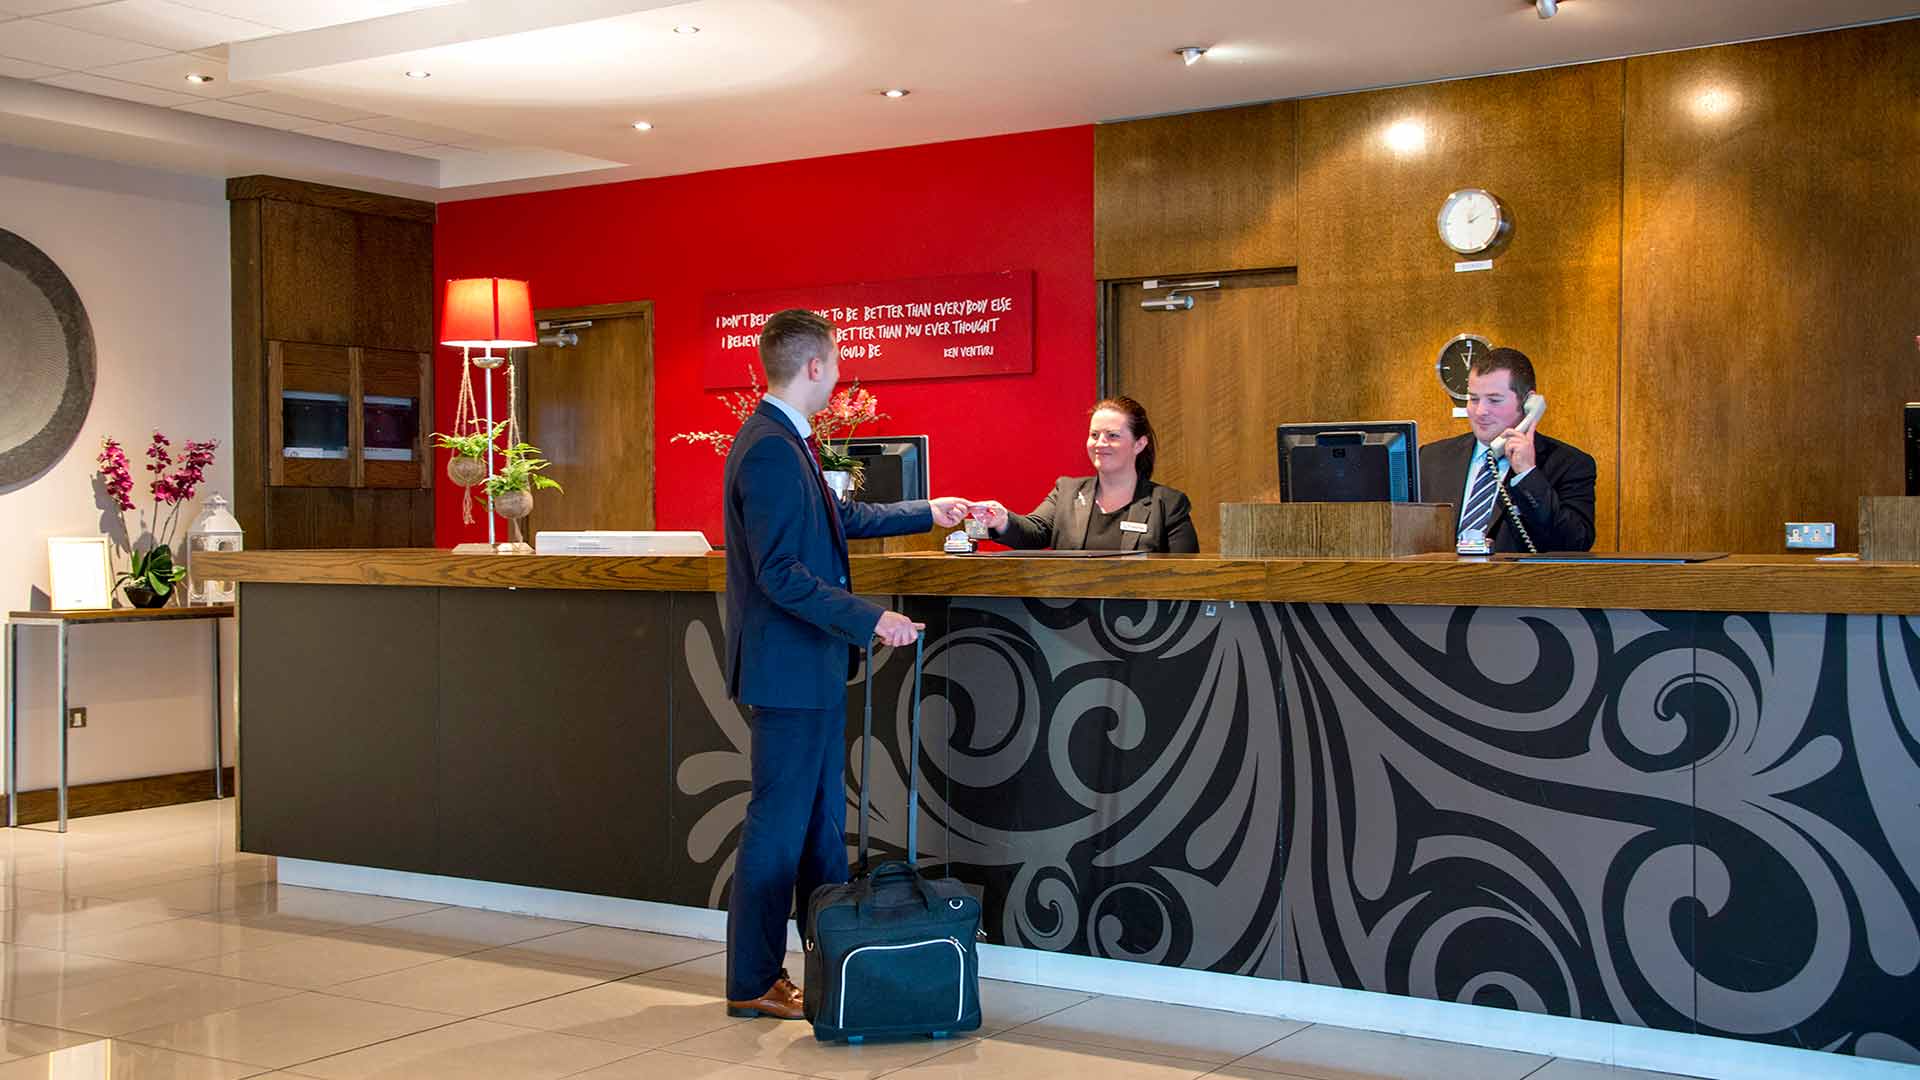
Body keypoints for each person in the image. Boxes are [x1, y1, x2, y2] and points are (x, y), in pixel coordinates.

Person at [721, 308, 970, 1020]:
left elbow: (842, 523)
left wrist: (932, 509)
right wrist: (873, 618)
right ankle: (751, 980)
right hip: (789, 672)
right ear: (814, 367)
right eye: (837, 360)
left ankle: (827, 966)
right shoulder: (770, 447)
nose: (840, 372)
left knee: (820, 830)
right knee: (780, 827)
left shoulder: (786, 441)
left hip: (810, 669)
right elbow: (781, 574)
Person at [1419, 346, 1596, 553]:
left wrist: (1528, 475)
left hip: (1518, 584)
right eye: (1473, 399)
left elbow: (1575, 543)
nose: (1480, 411)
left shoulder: (1569, 464)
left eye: (1494, 400)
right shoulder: (1430, 458)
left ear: (1528, 402)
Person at [972, 396, 1200, 553]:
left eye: (1112, 436)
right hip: (1068, 621)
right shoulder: (1067, 492)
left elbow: (1185, 574)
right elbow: (1033, 533)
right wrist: (1002, 520)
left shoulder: (1168, 505)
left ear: (1139, 444)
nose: (1100, 443)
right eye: (1094, 434)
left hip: (1143, 622)